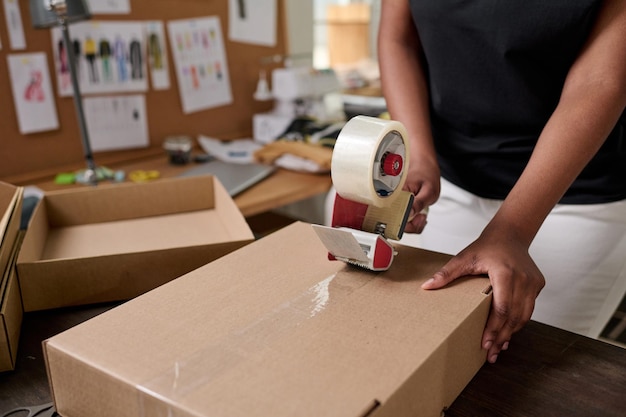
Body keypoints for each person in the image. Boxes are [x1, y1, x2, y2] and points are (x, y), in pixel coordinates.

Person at [377, 0, 626, 364]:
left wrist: (511, 231)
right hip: (451, 180)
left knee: (522, 369)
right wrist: (420, 156)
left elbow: (601, 80)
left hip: (571, 195)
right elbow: (398, 39)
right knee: (432, 353)